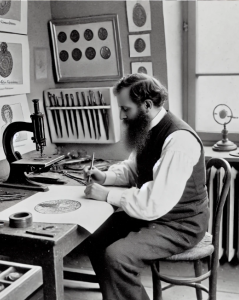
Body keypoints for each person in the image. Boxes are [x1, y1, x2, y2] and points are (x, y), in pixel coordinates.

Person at [83, 73, 210, 300]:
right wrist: (105, 177)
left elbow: (154, 203)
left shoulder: (179, 140)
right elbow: (135, 169)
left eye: (126, 109)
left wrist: (107, 195)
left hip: (181, 224)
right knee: (93, 237)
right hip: (157, 214)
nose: (122, 115)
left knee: (117, 257)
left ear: (147, 105)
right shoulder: (148, 128)